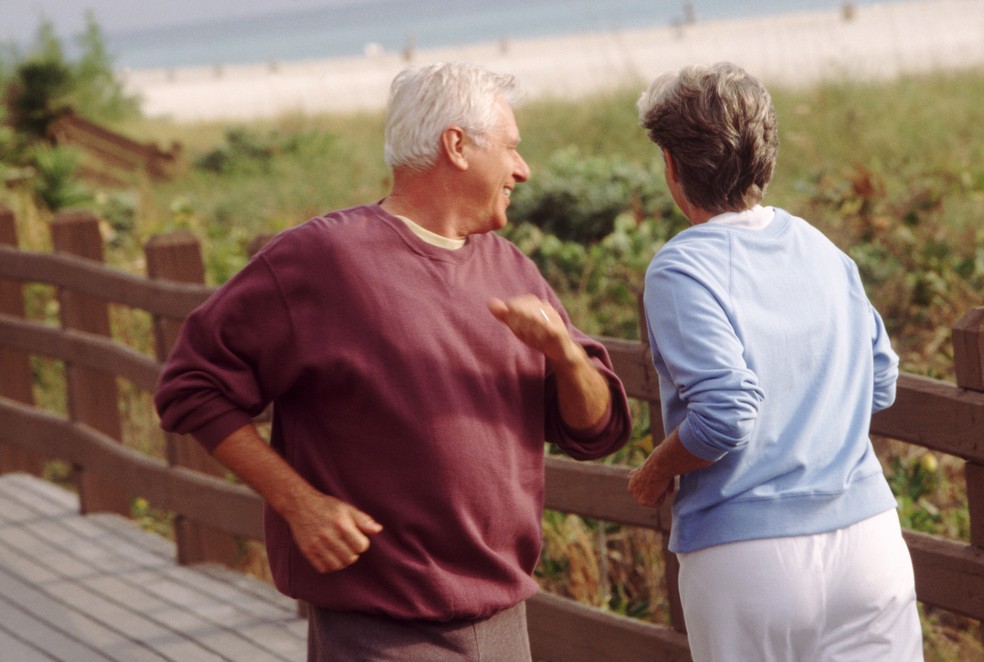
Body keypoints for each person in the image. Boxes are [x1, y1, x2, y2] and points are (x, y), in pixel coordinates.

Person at [154, 61, 631, 661]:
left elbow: (598, 431)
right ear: (456, 145)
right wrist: (298, 502)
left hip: (507, 624)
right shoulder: (322, 259)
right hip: (380, 633)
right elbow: (190, 385)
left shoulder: (513, 268)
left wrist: (565, 355)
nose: (523, 169)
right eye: (511, 148)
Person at [627, 62, 923, 661]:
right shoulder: (823, 249)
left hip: (750, 558)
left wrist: (654, 471)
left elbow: (726, 414)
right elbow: (882, 381)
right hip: (869, 542)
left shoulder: (682, 267)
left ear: (673, 168)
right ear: (766, 155)